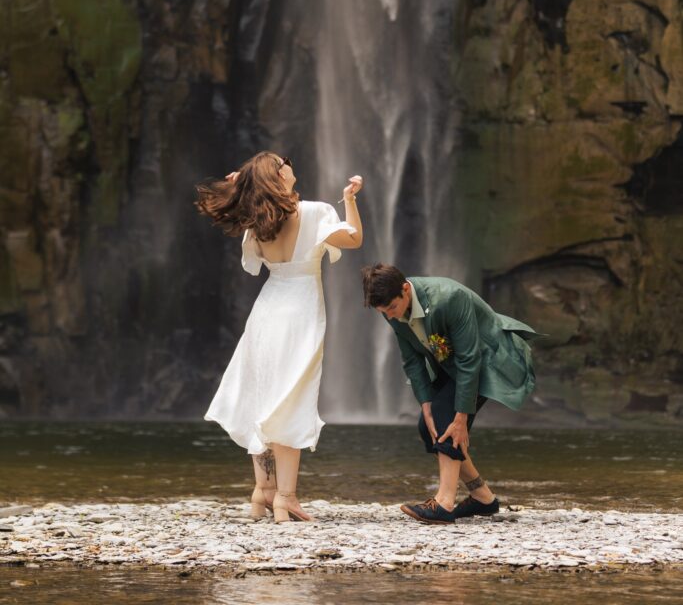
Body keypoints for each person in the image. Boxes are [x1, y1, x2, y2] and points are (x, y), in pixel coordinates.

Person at [196, 152, 363, 523]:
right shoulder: (317, 212)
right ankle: (286, 498)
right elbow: (354, 239)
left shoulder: (257, 221)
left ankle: (262, 493)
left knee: (263, 398)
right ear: (277, 174)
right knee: (290, 400)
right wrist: (350, 200)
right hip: (301, 311)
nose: (289, 162)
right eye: (282, 161)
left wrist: (242, 184)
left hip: (267, 310)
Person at [361, 264, 536, 524]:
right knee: (428, 427)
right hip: (451, 364)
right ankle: (483, 498)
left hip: (488, 359)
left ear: (405, 289)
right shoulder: (391, 309)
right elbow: (411, 360)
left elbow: (469, 359)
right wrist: (426, 404)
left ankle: (444, 503)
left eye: (392, 309)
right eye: (384, 312)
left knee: (448, 423)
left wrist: (462, 417)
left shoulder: (450, 298)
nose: (391, 316)